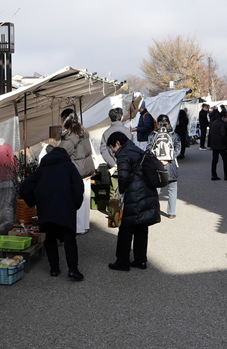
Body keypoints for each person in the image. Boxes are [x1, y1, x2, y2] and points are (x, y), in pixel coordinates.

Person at [20, 145, 84, 280]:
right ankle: (73, 269)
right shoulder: (69, 166)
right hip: (65, 208)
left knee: (50, 238)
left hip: (46, 209)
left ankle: (54, 269)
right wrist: (75, 205)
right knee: (69, 238)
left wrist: (34, 202)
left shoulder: (43, 167)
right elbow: (78, 186)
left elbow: (25, 187)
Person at [106, 132, 161, 270]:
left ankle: (122, 262)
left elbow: (123, 178)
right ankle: (141, 260)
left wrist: (120, 191)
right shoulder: (137, 149)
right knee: (142, 228)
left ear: (118, 143)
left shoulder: (124, 154)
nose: (113, 151)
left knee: (125, 229)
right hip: (147, 193)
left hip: (134, 196)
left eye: (112, 148)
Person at [52, 110, 95, 233]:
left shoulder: (70, 137)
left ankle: (78, 227)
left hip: (77, 171)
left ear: (65, 119)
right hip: (87, 168)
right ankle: (84, 225)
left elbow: (61, 153)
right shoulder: (82, 130)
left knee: (77, 199)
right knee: (85, 199)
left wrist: (52, 148)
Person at [148, 114, 181, 218]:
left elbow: (149, 150)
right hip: (170, 166)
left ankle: (155, 211)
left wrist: (159, 159)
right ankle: (171, 213)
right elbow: (178, 150)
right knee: (172, 189)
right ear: (169, 123)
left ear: (157, 123)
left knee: (156, 190)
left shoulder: (153, 135)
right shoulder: (174, 135)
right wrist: (168, 158)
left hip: (157, 166)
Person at [208, 108, 227, 181]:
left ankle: (214, 175)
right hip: (221, 145)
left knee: (214, 160)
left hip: (214, 144)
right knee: (225, 160)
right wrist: (225, 142)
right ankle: (226, 174)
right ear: (223, 117)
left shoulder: (214, 122)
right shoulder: (222, 124)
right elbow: (223, 135)